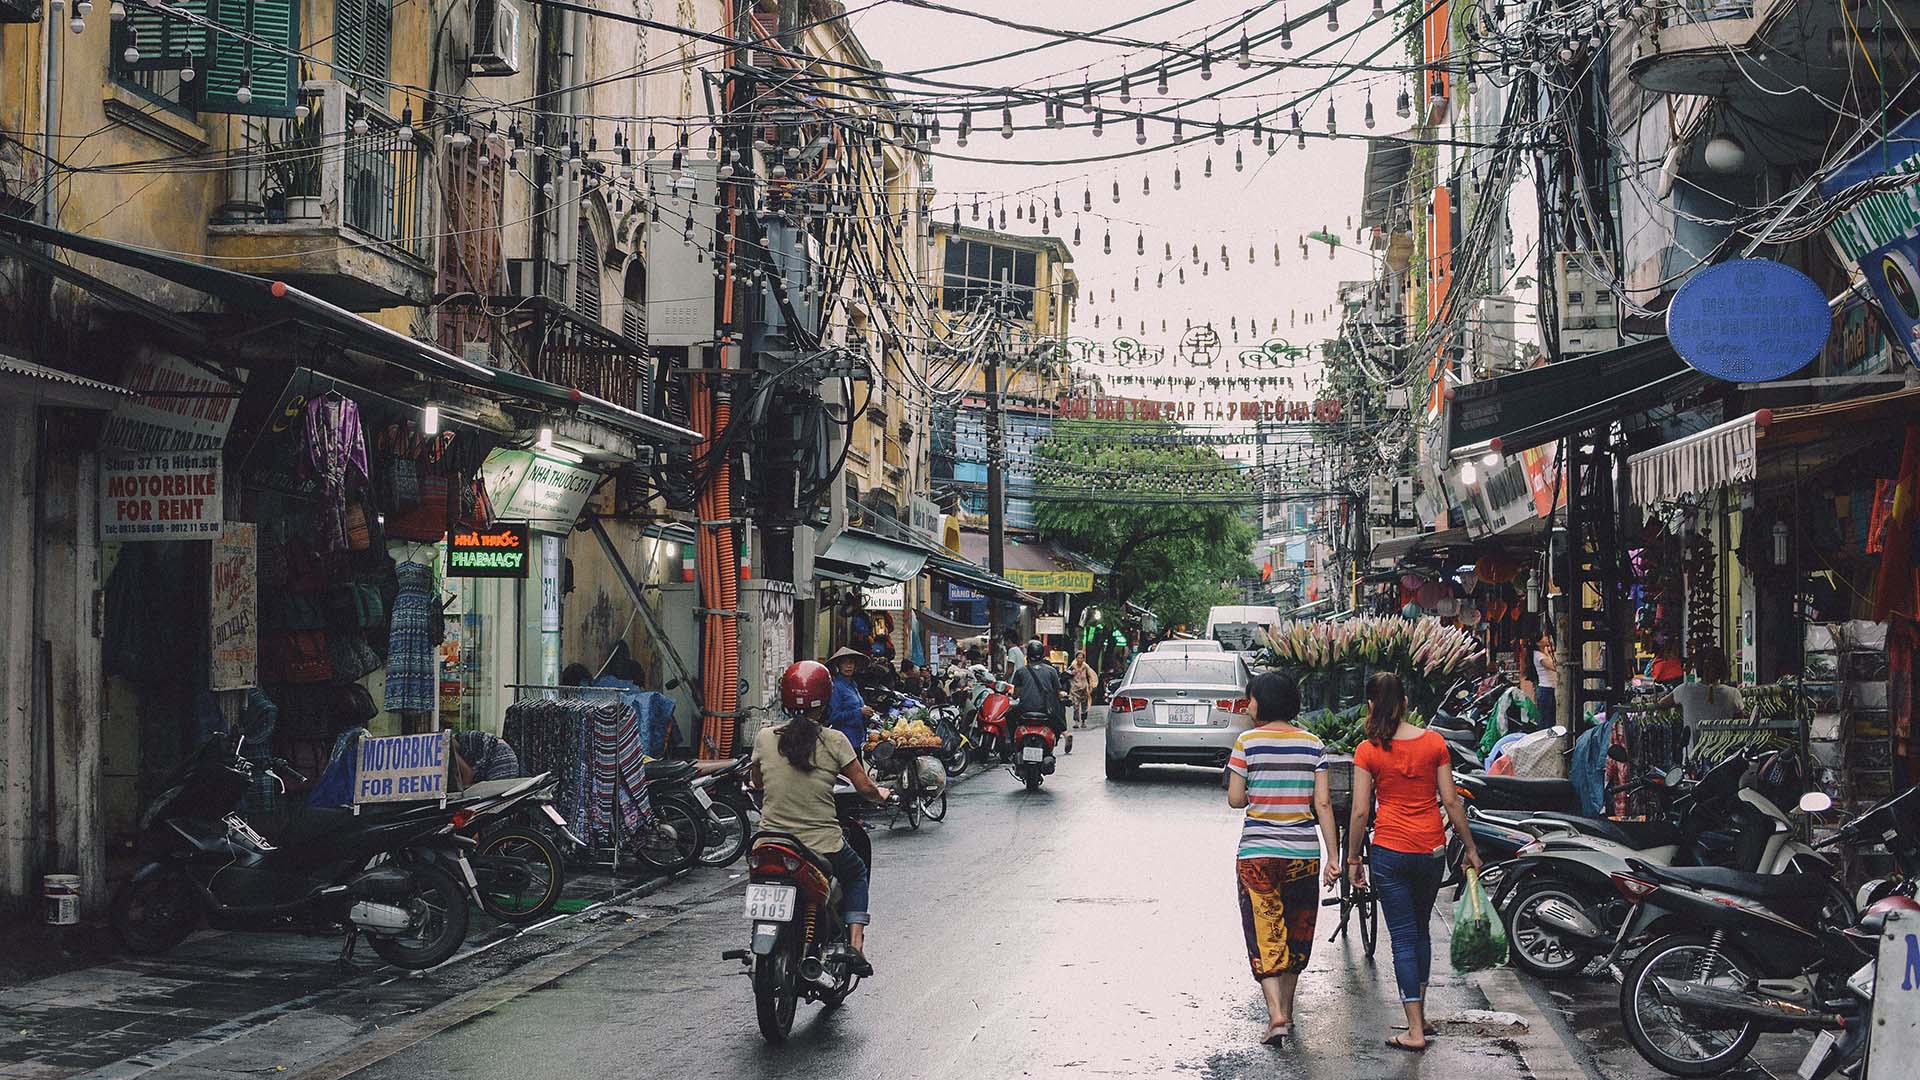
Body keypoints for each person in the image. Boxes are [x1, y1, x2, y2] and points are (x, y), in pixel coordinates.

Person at [1348, 672, 1482, 1054]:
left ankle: (1415, 1030)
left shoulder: (1368, 750)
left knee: (1403, 939)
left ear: (1371, 704)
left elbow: (1360, 812)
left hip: (1390, 851)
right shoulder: (1434, 742)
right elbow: (1452, 802)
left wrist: (1355, 857)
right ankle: (1418, 1019)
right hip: (1430, 851)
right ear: (1406, 703)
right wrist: (1469, 847)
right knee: (1420, 933)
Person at [751, 661, 892, 974]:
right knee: (855, 874)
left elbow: (756, 782)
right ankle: (856, 946)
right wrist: (880, 794)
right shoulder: (835, 740)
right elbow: (864, 786)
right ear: (826, 698)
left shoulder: (764, 737)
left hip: (770, 841)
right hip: (820, 844)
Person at [1225, 671, 1340, 1049]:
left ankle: (1276, 1015)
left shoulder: (1247, 742)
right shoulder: (1312, 744)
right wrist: (1333, 857)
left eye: (1252, 698)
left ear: (1263, 701)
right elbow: (1322, 804)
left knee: (1266, 933)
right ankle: (1286, 1014)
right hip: (1303, 854)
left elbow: (1236, 799)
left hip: (1257, 854)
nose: (1249, 704)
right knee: (1296, 933)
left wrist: (1262, 792)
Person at [1657, 645, 1745, 735]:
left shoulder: (1685, 690)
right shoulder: (1733, 694)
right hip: (1724, 747)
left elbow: (1662, 704)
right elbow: (1741, 726)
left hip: (1694, 748)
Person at [1009, 639, 1070, 755]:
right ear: (1042, 655)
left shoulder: (1021, 671)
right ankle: (1058, 739)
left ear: (1028, 655)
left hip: (1025, 710)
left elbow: (1015, 694)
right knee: (1058, 720)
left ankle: (1012, 746)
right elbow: (1058, 692)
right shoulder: (1052, 671)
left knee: (1009, 717)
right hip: (1045, 711)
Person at [825, 646, 876, 749]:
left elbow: (858, 708)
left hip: (857, 739)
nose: (848, 666)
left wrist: (866, 713)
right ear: (839, 665)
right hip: (844, 741)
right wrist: (859, 712)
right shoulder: (837, 687)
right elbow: (833, 717)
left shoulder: (853, 684)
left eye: (851, 663)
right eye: (844, 663)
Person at [450, 728, 521, 789]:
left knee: (495, 797)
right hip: (503, 754)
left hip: (500, 758)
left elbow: (468, 774)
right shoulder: (455, 741)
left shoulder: (447, 747)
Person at [1068, 649, 1099, 729]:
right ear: (1076, 658)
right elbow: (1066, 675)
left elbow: (1091, 676)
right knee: (1076, 706)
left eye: (1081, 658)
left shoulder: (1086, 667)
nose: (1080, 659)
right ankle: (1076, 721)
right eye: (1078, 658)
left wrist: (1092, 685)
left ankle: (1083, 721)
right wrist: (1071, 674)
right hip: (1075, 689)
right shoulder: (1072, 666)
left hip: (1084, 689)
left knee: (1084, 706)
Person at [1533, 631, 1558, 724]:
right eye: (1543, 637)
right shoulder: (1539, 656)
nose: (1546, 638)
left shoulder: (1545, 652)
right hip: (1545, 690)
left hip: (1550, 688)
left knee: (1551, 718)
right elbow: (1554, 667)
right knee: (1547, 720)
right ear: (1538, 643)